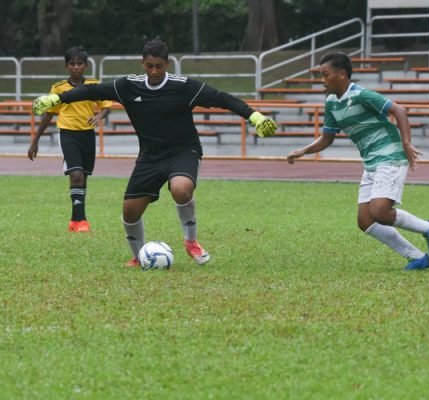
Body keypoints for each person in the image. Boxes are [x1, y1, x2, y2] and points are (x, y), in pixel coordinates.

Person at [32, 39, 277, 267]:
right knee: (129, 211)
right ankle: (139, 257)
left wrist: (254, 116)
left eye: (159, 66)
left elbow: (222, 98)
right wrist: (56, 98)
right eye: (149, 66)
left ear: (167, 64)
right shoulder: (129, 86)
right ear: (143, 63)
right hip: (150, 157)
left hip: (183, 151)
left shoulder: (184, 87)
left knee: (181, 189)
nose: (154, 71)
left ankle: (191, 241)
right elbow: (91, 91)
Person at [286, 52, 429, 271]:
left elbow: (399, 110)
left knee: (379, 211)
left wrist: (406, 143)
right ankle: (417, 257)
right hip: (371, 163)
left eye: (325, 75)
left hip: (390, 156)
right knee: (365, 221)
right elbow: (327, 138)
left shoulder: (361, 95)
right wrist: (303, 151)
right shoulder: (332, 102)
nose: (322, 80)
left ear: (341, 74)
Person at [28, 46, 112, 233]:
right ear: (67, 66)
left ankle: (75, 220)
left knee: (84, 178)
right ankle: (81, 221)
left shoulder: (93, 85)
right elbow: (48, 115)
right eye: (72, 64)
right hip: (67, 134)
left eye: (79, 63)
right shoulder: (58, 88)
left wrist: (99, 116)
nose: (76, 67)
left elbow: (107, 106)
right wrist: (35, 141)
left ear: (86, 65)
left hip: (87, 135)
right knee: (76, 175)